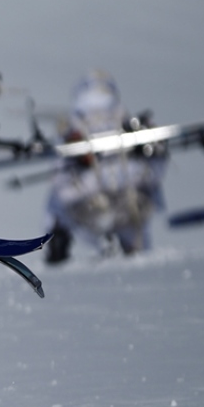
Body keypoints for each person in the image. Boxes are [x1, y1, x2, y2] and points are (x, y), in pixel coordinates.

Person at [43, 69, 166, 264]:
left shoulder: (73, 127)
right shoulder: (129, 121)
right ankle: (133, 252)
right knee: (138, 252)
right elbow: (156, 169)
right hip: (132, 201)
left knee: (55, 205)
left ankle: (58, 250)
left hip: (89, 203)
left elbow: (60, 184)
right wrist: (151, 154)